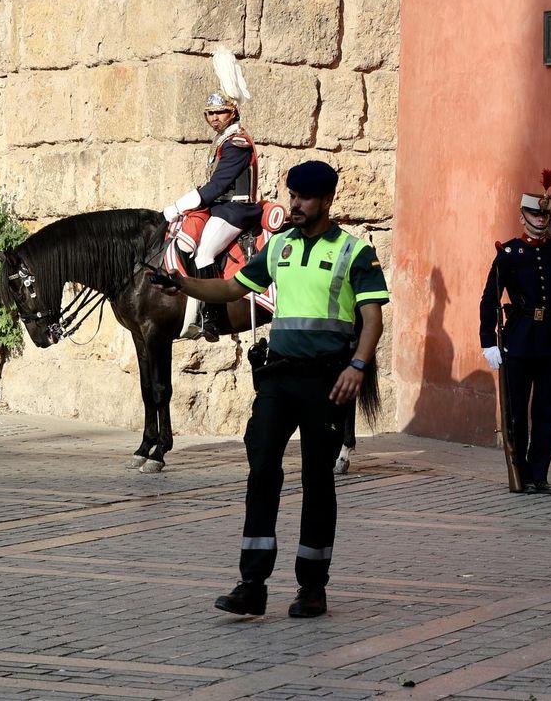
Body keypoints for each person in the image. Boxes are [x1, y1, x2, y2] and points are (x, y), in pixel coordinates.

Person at [156, 159, 387, 619]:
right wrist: (180, 283)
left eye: (302, 198)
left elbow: (373, 320)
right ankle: (252, 584)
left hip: (328, 381)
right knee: (261, 470)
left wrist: (358, 367)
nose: (294, 204)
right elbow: (230, 289)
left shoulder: (355, 253)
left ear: (326, 201)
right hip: (279, 378)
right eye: (292, 195)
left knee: (319, 481)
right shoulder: (278, 247)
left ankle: (312, 588)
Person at [479, 172, 551, 495]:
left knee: (546, 415)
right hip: (519, 342)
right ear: (522, 217)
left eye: (544, 214)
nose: (540, 218)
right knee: (517, 414)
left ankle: (540, 474)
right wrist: (487, 342)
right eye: (535, 213)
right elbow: (489, 299)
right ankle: (520, 471)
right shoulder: (509, 254)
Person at [163, 47, 262, 340]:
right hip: (220, 209)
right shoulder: (223, 140)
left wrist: (176, 206)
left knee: (205, 251)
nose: (214, 118)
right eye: (210, 113)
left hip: (236, 210)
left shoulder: (237, 143)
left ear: (233, 112)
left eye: (220, 112)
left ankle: (213, 318)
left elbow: (217, 187)